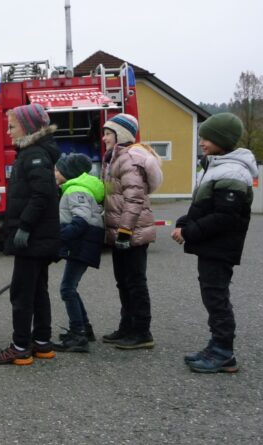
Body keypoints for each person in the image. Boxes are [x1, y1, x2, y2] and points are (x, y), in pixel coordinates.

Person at [171, 112, 257, 373]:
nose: (201, 142)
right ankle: (216, 345)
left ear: (223, 140)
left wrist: (189, 232)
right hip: (212, 246)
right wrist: (184, 222)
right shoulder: (216, 165)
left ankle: (223, 353)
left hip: (220, 248)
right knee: (211, 295)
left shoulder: (232, 171)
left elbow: (224, 217)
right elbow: (203, 207)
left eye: (207, 137)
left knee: (216, 297)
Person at [0, 103, 61, 365]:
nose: (7, 131)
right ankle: (42, 343)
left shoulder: (34, 155)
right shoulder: (34, 153)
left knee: (21, 292)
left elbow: (42, 195)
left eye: (11, 126)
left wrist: (25, 226)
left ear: (28, 127)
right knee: (38, 290)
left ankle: (20, 347)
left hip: (33, 238)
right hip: (39, 238)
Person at [100, 113, 163, 350]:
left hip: (131, 232)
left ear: (121, 135)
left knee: (135, 282)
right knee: (123, 282)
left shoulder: (128, 158)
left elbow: (134, 197)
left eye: (108, 133)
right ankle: (127, 327)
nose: (104, 137)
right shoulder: (115, 158)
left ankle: (142, 332)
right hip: (120, 231)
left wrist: (125, 230)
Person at [53, 153, 105, 352]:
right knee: (70, 287)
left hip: (83, 244)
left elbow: (80, 220)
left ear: (68, 172)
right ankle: (85, 329)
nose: (55, 172)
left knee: (67, 289)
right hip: (82, 244)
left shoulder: (75, 190)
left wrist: (60, 238)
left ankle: (79, 334)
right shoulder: (73, 189)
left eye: (57, 170)